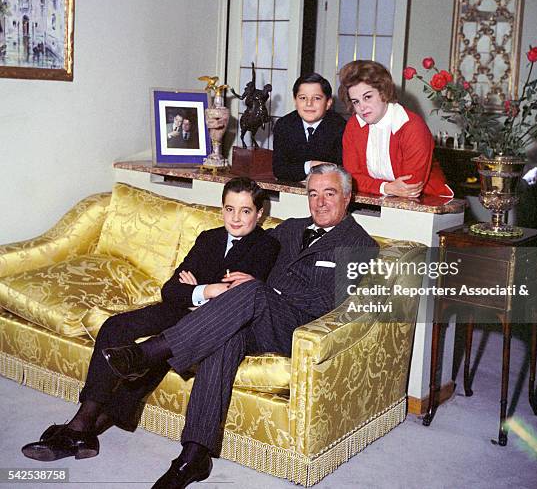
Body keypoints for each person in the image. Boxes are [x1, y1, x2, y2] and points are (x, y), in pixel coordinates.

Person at [23, 165, 377, 489]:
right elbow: (246, 261)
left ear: (347, 197)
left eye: (329, 193)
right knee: (225, 339)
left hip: (293, 325)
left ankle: (148, 353)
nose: (320, 201)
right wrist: (227, 288)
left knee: (251, 289)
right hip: (251, 315)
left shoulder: (361, 245)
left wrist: (261, 287)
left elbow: (329, 307)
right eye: (313, 193)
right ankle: (194, 456)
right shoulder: (289, 229)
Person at [21, 177, 280, 466]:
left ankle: (82, 428)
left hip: (212, 326)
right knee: (114, 327)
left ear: (259, 214)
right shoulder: (209, 238)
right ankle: (87, 417)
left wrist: (195, 289)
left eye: (245, 211)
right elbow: (170, 290)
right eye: (229, 208)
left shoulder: (267, 246)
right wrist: (208, 289)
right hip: (181, 307)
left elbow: (238, 299)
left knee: (166, 343)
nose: (235, 218)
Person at [339, 60, 453, 198]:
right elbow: (350, 179)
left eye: (367, 97)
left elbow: (411, 187)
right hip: (375, 199)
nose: (362, 107)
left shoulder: (412, 126)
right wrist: (385, 187)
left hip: (427, 202)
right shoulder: (354, 125)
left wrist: (374, 186)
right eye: (356, 101)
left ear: (383, 92)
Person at [272, 73, 346, 181]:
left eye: (316, 98)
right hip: (290, 193)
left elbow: (340, 171)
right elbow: (279, 170)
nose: (309, 103)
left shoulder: (340, 127)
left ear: (328, 103)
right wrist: (310, 165)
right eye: (302, 98)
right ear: (295, 101)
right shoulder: (284, 125)